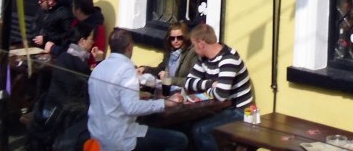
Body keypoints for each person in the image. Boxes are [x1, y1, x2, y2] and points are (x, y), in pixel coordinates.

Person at [87, 28, 187, 151]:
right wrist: (165, 103)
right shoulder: (126, 69)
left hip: (96, 135)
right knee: (180, 140)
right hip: (119, 139)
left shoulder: (99, 67)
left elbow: (109, 96)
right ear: (129, 47)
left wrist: (137, 95)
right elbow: (131, 108)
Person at [183, 23, 254, 151]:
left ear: (201, 43)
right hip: (221, 109)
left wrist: (206, 88)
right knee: (186, 125)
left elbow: (221, 95)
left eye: (193, 45)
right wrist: (210, 84)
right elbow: (188, 82)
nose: (193, 49)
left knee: (200, 130)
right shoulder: (203, 59)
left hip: (241, 111)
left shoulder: (229, 59)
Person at [26, 22, 95, 151]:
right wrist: (98, 61)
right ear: (82, 41)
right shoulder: (80, 66)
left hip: (49, 109)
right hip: (62, 116)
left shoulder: (63, 57)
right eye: (91, 38)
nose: (93, 42)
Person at [47, 0, 106, 67]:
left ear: (78, 10)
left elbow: (95, 54)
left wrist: (53, 48)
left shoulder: (97, 28)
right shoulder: (76, 21)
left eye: (73, 6)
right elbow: (68, 41)